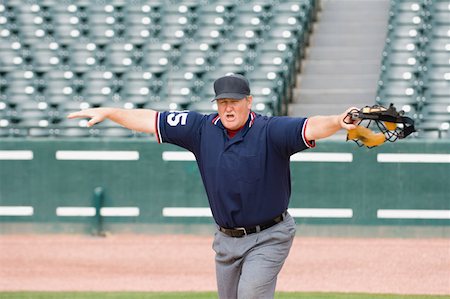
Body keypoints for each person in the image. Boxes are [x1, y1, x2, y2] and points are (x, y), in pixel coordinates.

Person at [68, 74, 358, 299]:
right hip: (226, 239)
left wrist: (338, 120)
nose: (228, 107)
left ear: (249, 101)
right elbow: (150, 119)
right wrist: (110, 112)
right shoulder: (200, 128)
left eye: (234, 101)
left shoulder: (270, 130)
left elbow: (310, 126)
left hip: (270, 235)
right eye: (222, 102)